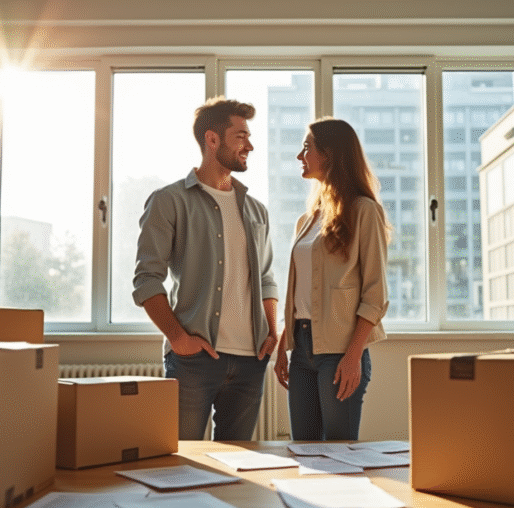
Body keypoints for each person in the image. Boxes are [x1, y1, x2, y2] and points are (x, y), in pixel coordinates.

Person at [133, 96, 278, 441]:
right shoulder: (168, 201)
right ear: (212, 139)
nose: (250, 146)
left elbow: (266, 279)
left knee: (237, 463)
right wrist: (178, 338)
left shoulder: (256, 210)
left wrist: (272, 332)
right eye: (241, 136)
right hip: (193, 360)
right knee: (182, 459)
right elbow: (147, 279)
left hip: (250, 362)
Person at [274, 117, 390, 441]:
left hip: (341, 351)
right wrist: (284, 346)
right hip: (301, 350)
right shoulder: (306, 220)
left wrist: (353, 356)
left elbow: (375, 293)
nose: (300, 156)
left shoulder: (365, 211)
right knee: (305, 450)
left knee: (339, 453)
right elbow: (298, 293)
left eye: (307, 148)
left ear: (330, 154)